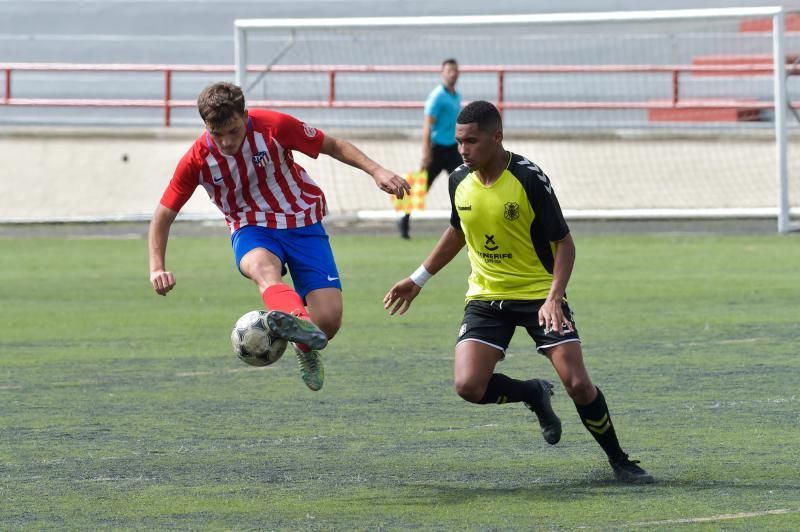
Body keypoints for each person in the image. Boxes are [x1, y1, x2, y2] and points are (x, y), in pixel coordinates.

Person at [383, 100, 653, 484]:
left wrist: (554, 297)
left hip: (539, 295)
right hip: (486, 298)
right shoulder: (458, 179)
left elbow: (565, 244)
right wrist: (419, 278)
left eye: (472, 142)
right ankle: (532, 394)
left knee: (577, 383)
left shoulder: (528, 179)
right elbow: (459, 230)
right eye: (460, 142)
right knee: (468, 386)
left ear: (497, 137)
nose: (463, 150)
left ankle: (620, 460)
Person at [149, 81, 409, 392]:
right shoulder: (197, 159)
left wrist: (376, 171)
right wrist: (156, 267)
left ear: (245, 115)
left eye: (233, 131)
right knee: (263, 270)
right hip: (250, 227)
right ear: (205, 125)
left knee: (328, 321)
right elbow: (163, 215)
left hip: (302, 221)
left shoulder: (274, 126)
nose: (226, 141)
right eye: (217, 134)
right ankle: (298, 320)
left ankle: (303, 343)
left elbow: (333, 145)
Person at [399, 58, 463, 240]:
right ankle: (404, 219)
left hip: (452, 150)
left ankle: (463, 223)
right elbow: (427, 125)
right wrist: (426, 152)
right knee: (422, 186)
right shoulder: (437, 96)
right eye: (449, 70)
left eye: (455, 70)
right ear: (442, 73)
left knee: (464, 183)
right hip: (437, 150)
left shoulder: (456, 95)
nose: (453, 74)